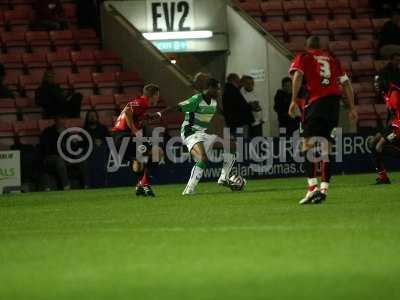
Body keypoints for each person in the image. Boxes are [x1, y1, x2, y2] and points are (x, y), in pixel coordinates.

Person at [288, 36, 358, 205]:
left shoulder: (304, 57)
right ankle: (324, 189)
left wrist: (293, 100)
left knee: (308, 144)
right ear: (321, 46)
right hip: (333, 104)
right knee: (327, 147)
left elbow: (297, 75)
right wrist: (352, 107)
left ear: (307, 46)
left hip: (316, 103)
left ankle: (312, 189)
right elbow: (346, 83)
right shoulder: (333, 59)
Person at [158, 78, 239, 195]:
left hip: (202, 134)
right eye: (217, 89)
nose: (219, 92)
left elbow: (218, 115)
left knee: (232, 146)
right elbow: (176, 107)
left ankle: (224, 178)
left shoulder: (214, 103)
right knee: (203, 158)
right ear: (210, 88)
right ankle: (189, 190)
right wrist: (159, 113)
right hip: (190, 133)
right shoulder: (196, 99)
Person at [111, 84, 164, 197]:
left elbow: (135, 116)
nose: (158, 98)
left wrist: (147, 117)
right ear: (153, 95)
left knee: (138, 160)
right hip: (124, 137)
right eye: (157, 95)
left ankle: (140, 186)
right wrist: (135, 131)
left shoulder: (142, 106)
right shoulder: (142, 102)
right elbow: (128, 109)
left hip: (116, 138)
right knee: (157, 152)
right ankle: (144, 183)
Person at [40, 117, 89, 191]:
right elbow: (46, 149)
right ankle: (66, 186)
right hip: (50, 157)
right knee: (59, 161)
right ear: (56, 120)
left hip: (65, 157)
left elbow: (72, 150)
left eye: (64, 119)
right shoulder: (48, 132)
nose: (62, 121)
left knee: (82, 158)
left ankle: (86, 185)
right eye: (61, 119)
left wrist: (74, 143)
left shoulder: (67, 133)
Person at [371, 77, 400, 184]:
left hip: (398, 126)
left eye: (377, 82)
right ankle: (383, 176)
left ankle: (384, 178)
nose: (375, 84)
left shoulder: (395, 94)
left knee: (379, 146)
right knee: (372, 143)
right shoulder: (385, 93)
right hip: (393, 124)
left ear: (384, 82)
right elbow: (391, 111)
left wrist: (395, 130)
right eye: (374, 82)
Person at [222, 73, 254, 138]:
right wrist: (250, 106)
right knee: (241, 144)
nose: (239, 80)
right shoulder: (232, 91)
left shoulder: (228, 90)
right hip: (239, 123)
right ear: (233, 79)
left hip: (233, 123)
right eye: (238, 78)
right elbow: (239, 107)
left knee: (238, 143)